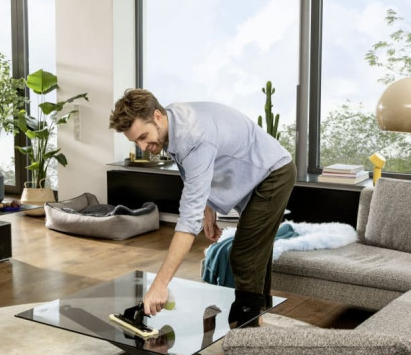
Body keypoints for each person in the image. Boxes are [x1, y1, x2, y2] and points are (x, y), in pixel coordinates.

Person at [109, 89, 296, 317]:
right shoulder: (172, 119)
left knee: (244, 255)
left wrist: (160, 284)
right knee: (255, 252)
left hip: (273, 174)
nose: (142, 147)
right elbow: (196, 172)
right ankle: (259, 317)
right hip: (254, 173)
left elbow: (188, 222)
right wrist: (209, 209)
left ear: (157, 116)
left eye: (143, 137)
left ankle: (246, 328)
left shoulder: (193, 138)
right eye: (135, 141)